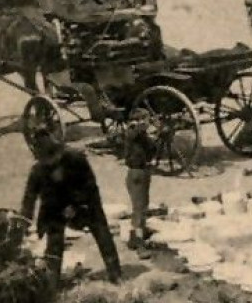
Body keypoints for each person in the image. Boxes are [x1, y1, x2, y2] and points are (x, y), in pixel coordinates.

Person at [21, 130, 123, 284]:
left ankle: (115, 273)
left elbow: (90, 187)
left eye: (52, 160)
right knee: (54, 241)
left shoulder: (76, 159)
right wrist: (23, 222)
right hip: (56, 208)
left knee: (102, 232)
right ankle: (52, 281)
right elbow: (29, 199)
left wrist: (76, 205)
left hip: (85, 204)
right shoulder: (38, 170)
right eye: (45, 161)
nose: (49, 164)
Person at [119, 108, 157, 254]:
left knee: (143, 204)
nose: (149, 122)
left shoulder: (142, 136)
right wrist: (137, 125)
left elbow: (152, 148)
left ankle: (135, 237)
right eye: (147, 119)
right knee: (139, 208)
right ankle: (139, 244)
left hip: (142, 172)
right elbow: (132, 133)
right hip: (137, 174)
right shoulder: (133, 133)